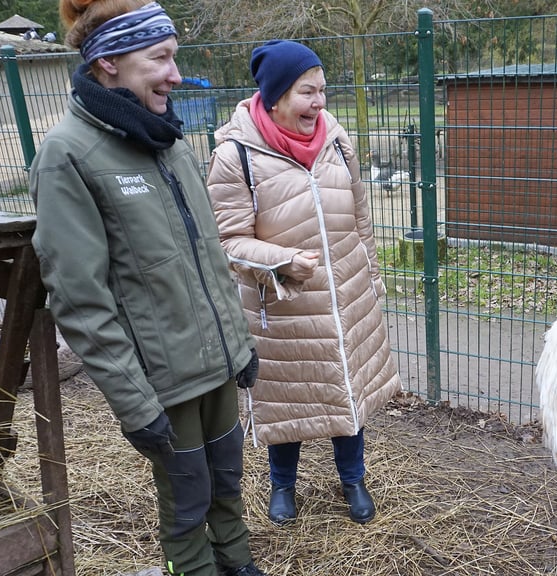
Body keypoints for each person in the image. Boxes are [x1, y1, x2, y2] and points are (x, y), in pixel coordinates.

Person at [28, 2, 266, 575]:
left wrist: (239, 343)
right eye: (159, 58)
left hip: (216, 364)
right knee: (187, 503)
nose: (175, 74)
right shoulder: (68, 156)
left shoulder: (167, 141)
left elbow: (207, 257)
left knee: (227, 484)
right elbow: (80, 300)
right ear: (108, 62)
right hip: (165, 384)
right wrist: (135, 404)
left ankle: (237, 561)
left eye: (174, 56)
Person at [206, 40, 401, 526]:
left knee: (347, 391)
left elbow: (360, 218)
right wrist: (280, 260)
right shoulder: (236, 156)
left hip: (345, 295)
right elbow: (226, 241)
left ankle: (353, 479)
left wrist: (371, 280)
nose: (320, 103)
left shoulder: (337, 141)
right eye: (307, 92)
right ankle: (283, 487)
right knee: (287, 397)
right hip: (283, 303)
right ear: (274, 97)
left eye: (323, 91)